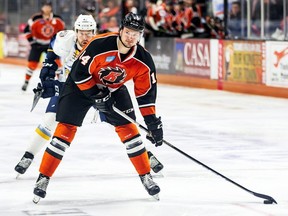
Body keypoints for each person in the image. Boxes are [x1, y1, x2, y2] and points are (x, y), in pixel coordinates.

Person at [32, 12, 164, 203]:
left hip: (113, 89)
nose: (130, 37)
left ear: (140, 35)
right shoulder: (100, 44)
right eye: (128, 32)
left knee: (130, 131)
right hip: (79, 87)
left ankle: (145, 176)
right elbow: (79, 73)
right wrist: (97, 95)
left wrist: (152, 122)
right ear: (121, 30)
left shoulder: (144, 60)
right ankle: (43, 177)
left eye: (135, 34)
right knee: (65, 129)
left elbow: (145, 94)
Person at [21, 0, 65, 91]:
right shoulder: (35, 18)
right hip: (37, 44)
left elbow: (63, 32)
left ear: (51, 7)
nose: (47, 8)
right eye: (45, 6)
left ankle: (62, 82)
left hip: (52, 44)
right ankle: (26, 81)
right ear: (42, 8)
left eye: (48, 6)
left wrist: (59, 42)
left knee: (57, 63)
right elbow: (26, 30)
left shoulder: (58, 19)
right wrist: (32, 42)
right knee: (32, 64)